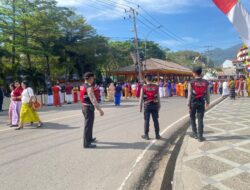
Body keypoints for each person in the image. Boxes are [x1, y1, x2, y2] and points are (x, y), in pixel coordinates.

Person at [80, 72, 104, 148]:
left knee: (89, 124)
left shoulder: (82, 86)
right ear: (90, 79)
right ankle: (86, 143)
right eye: (93, 78)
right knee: (88, 125)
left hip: (84, 106)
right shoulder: (89, 87)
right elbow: (93, 99)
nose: (93, 79)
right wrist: (99, 109)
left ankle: (89, 138)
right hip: (88, 108)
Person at [187, 67, 210, 142]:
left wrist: (188, 104)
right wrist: (208, 102)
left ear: (194, 73)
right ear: (200, 73)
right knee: (200, 119)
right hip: (201, 102)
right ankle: (200, 136)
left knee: (192, 117)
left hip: (193, 102)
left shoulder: (191, 82)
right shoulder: (206, 82)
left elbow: (189, 94)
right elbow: (207, 93)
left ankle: (195, 134)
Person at [140, 75, 161, 140]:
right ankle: (157, 135)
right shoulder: (156, 87)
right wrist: (159, 105)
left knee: (147, 120)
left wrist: (140, 107)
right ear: (152, 79)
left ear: (146, 80)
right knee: (156, 120)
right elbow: (158, 97)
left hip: (147, 105)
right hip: (155, 105)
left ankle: (146, 135)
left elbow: (141, 98)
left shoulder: (143, 87)